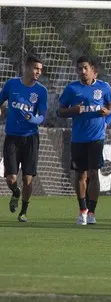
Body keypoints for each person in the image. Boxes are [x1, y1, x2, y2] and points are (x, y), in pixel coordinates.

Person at [58, 56, 111, 225]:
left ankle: (92, 212)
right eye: (79, 69)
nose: (82, 72)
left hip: (96, 138)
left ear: (92, 70)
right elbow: (59, 112)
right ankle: (82, 210)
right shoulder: (72, 89)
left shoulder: (104, 87)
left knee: (93, 174)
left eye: (85, 68)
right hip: (78, 138)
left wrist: (106, 113)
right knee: (80, 175)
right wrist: (73, 110)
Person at [0, 55, 47, 222]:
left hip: (30, 138)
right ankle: (15, 192)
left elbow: (42, 117)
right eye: (36, 68)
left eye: (40, 70)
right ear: (27, 67)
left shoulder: (41, 91)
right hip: (12, 137)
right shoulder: (11, 84)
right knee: (11, 178)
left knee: (28, 178)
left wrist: (32, 119)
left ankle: (23, 211)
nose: (38, 72)